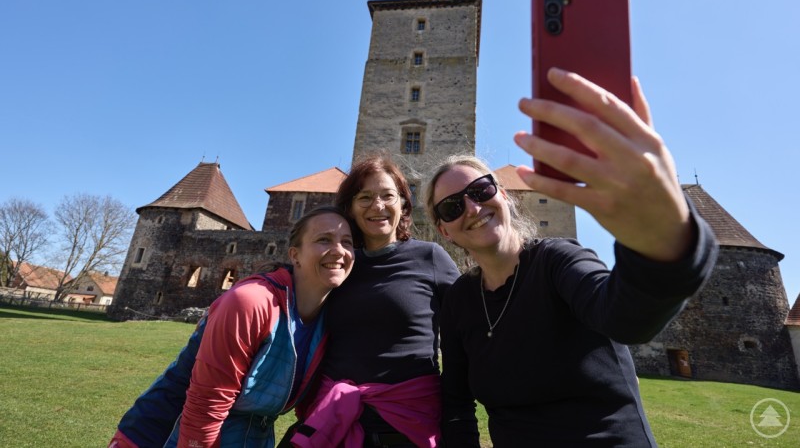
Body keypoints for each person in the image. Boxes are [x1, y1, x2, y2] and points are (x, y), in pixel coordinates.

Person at [424, 68, 719, 447]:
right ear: (443, 230)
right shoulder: (462, 301)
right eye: (450, 207)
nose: (471, 207)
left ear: (505, 196)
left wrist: (660, 234)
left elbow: (625, 317)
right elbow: (456, 403)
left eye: (481, 190)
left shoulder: (557, 260)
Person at [109, 206, 355, 448]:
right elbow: (206, 408)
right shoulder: (252, 301)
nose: (338, 251)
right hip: (163, 435)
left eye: (347, 242)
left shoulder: (328, 321)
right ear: (294, 255)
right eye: (324, 239)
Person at [288, 155, 462, 448]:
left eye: (387, 196)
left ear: (404, 204)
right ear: (350, 209)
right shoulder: (338, 263)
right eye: (365, 197)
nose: (377, 206)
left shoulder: (430, 258)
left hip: (406, 423)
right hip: (333, 420)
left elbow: (469, 328)